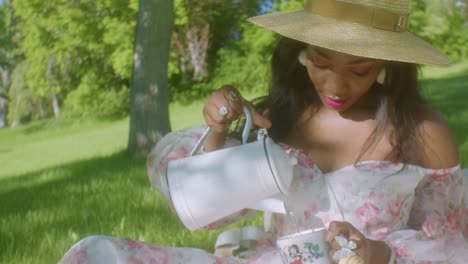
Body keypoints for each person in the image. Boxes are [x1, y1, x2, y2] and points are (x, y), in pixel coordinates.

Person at [59, 0, 468, 263]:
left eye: (359, 70)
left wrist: (380, 254)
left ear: (386, 64)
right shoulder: (276, 118)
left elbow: (451, 247)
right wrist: (219, 132)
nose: (336, 86)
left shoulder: (423, 132)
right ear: (299, 53)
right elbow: (207, 213)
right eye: (320, 62)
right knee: (99, 255)